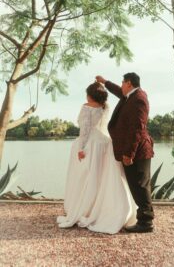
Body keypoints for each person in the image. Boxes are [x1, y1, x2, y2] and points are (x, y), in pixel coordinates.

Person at [57, 82, 136, 234]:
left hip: (90, 145)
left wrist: (81, 148)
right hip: (105, 143)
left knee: (86, 177)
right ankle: (104, 208)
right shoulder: (105, 107)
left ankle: (86, 208)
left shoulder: (86, 107)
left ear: (89, 95)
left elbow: (85, 129)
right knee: (103, 178)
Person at [96, 73, 154, 233]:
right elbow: (117, 91)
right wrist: (105, 82)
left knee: (140, 185)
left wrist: (129, 154)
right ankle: (144, 218)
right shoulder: (130, 95)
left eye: (122, 82)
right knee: (137, 185)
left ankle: (146, 222)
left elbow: (137, 129)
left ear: (128, 83)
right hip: (132, 150)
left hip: (137, 152)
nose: (121, 85)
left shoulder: (139, 99)